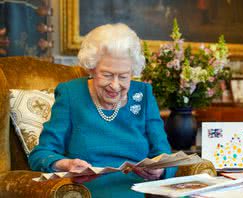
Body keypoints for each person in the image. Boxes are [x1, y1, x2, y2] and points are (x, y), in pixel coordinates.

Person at [28, 23, 177, 197]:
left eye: (123, 76)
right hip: (87, 193)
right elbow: (40, 155)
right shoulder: (70, 93)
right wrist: (66, 164)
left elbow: (164, 155)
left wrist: (159, 171)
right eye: (107, 75)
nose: (114, 85)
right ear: (92, 68)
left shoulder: (143, 94)